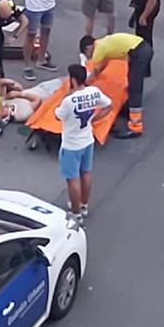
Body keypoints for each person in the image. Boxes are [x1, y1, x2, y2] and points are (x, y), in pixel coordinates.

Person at [55, 64, 113, 221]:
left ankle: (75, 213)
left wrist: (65, 95)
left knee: (72, 179)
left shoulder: (68, 100)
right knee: (85, 173)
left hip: (71, 145)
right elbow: (109, 105)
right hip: (88, 140)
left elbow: (57, 116)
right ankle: (84, 205)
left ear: (72, 80)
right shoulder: (94, 92)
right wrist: (95, 119)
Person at [79, 33, 153, 139]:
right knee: (132, 80)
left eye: (87, 54)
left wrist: (85, 84)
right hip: (141, 48)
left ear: (88, 48)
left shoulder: (98, 49)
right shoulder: (103, 43)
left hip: (138, 53)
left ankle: (135, 127)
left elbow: (95, 70)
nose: (89, 56)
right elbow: (103, 65)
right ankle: (129, 108)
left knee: (134, 87)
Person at [19, 0, 60, 81]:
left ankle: (41, 60)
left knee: (46, 31)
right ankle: (26, 66)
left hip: (49, 4)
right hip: (34, 7)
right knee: (31, 35)